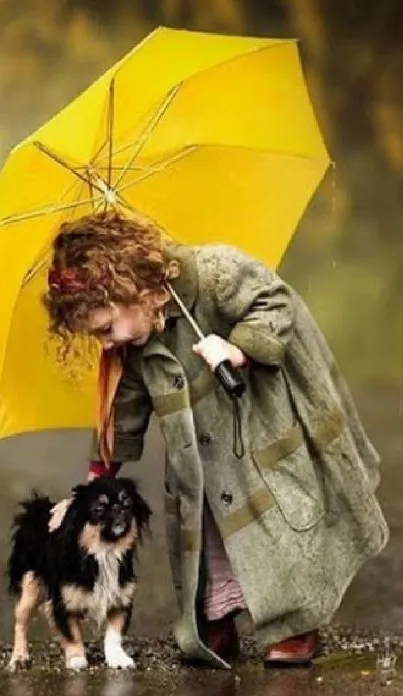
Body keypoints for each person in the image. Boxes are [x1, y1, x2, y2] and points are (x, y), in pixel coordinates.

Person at [44, 211, 388, 669]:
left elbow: (275, 303)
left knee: (273, 526)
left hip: (253, 431)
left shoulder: (216, 273)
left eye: (106, 328)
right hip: (198, 461)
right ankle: (217, 617)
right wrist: (95, 479)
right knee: (207, 540)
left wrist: (237, 347)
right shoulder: (137, 345)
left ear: (128, 288)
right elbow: (125, 407)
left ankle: (292, 623)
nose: (106, 344)